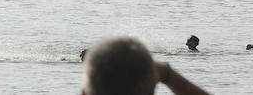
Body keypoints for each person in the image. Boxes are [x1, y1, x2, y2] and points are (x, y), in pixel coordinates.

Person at [81, 36, 211, 95]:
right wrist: (167, 74)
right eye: (188, 41)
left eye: (191, 41)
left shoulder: (195, 53)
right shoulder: (186, 52)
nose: (188, 43)